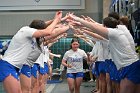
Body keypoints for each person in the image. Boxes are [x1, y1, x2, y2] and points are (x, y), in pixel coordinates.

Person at [68, 14, 140, 93]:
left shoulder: (115, 33)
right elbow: (97, 28)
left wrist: (77, 19)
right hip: (129, 66)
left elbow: (96, 28)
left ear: (105, 26)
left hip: (130, 66)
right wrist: (82, 26)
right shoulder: (120, 29)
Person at [0, 11, 62, 93]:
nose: (41, 35)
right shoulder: (26, 30)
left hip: (16, 67)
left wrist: (56, 20)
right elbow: (48, 32)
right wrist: (57, 20)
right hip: (8, 65)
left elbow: (45, 28)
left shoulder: (32, 37)